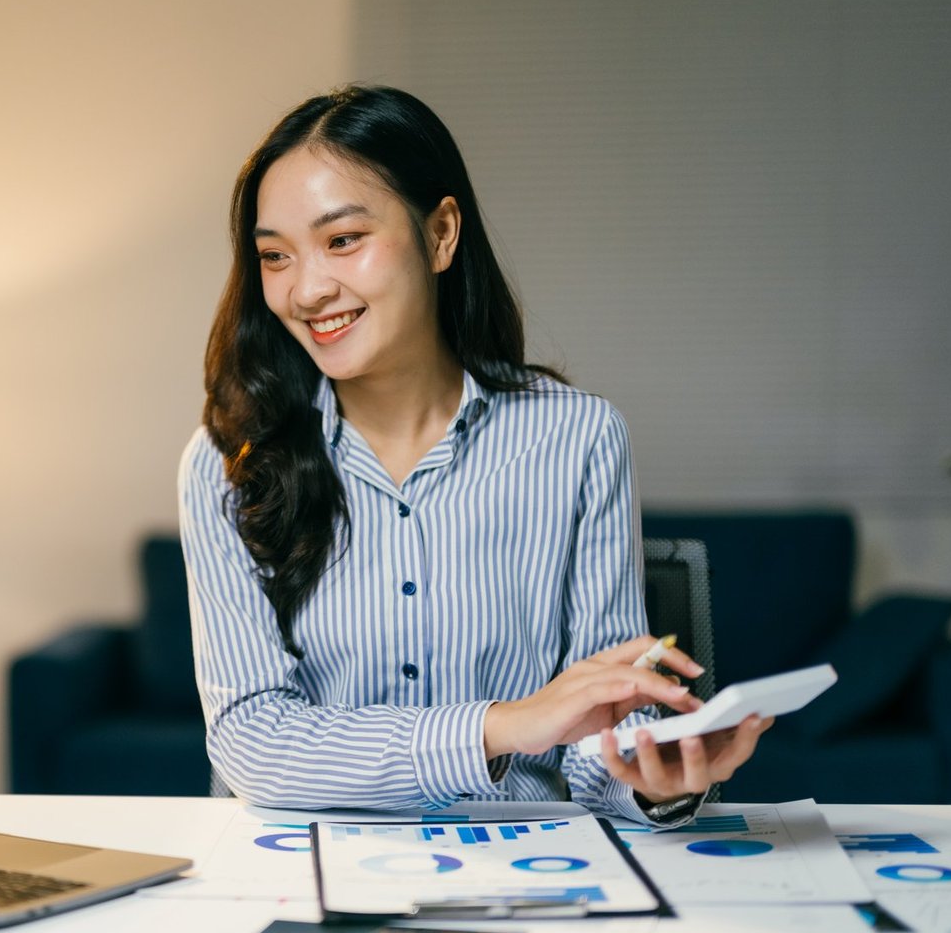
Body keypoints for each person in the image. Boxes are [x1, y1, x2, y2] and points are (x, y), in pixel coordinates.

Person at [178, 85, 770, 826]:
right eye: (274, 256)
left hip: (523, 866)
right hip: (298, 870)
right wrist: (500, 726)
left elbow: (596, 732)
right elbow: (252, 743)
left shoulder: (578, 440)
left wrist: (658, 777)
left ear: (441, 234)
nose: (306, 289)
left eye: (343, 240)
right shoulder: (227, 462)